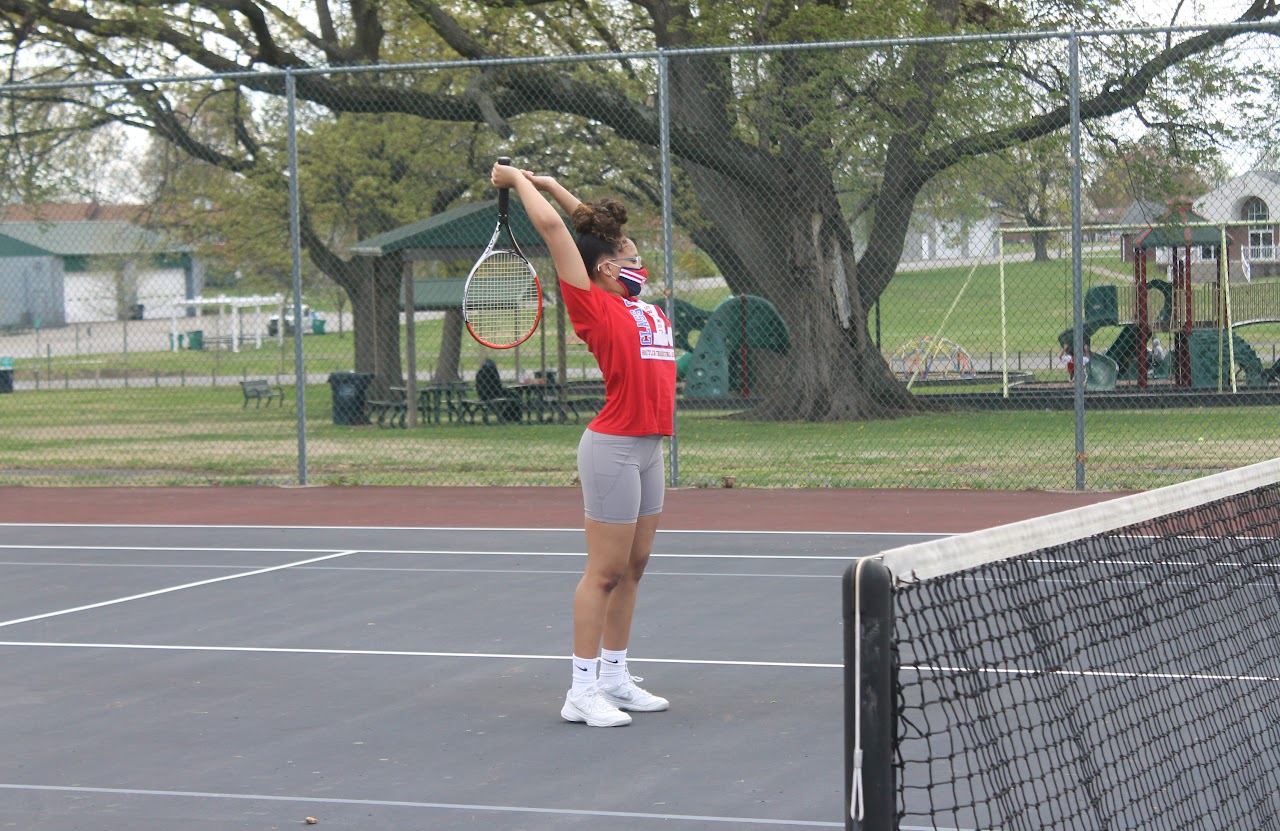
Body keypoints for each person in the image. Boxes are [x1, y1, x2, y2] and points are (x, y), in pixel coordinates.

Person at [491, 160, 676, 728]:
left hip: (648, 447)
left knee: (636, 565)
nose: (640, 263)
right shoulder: (592, 305)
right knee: (605, 571)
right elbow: (557, 234)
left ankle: (616, 678)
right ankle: (582, 689)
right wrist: (519, 182)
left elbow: (587, 227)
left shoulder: (640, 305)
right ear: (604, 268)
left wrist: (552, 184)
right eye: (631, 258)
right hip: (612, 446)